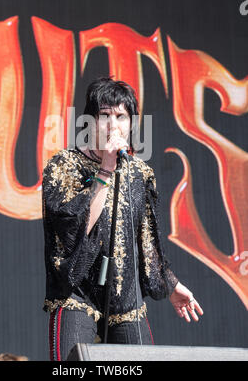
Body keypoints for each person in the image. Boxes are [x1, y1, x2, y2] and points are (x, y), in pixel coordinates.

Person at [42, 77, 203, 361]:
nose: (113, 125)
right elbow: (73, 231)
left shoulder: (138, 173)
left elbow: (147, 242)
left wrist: (172, 285)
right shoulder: (65, 165)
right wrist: (105, 169)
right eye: (104, 116)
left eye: (121, 117)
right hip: (77, 293)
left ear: (131, 124)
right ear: (90, 122)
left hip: (125, 298)